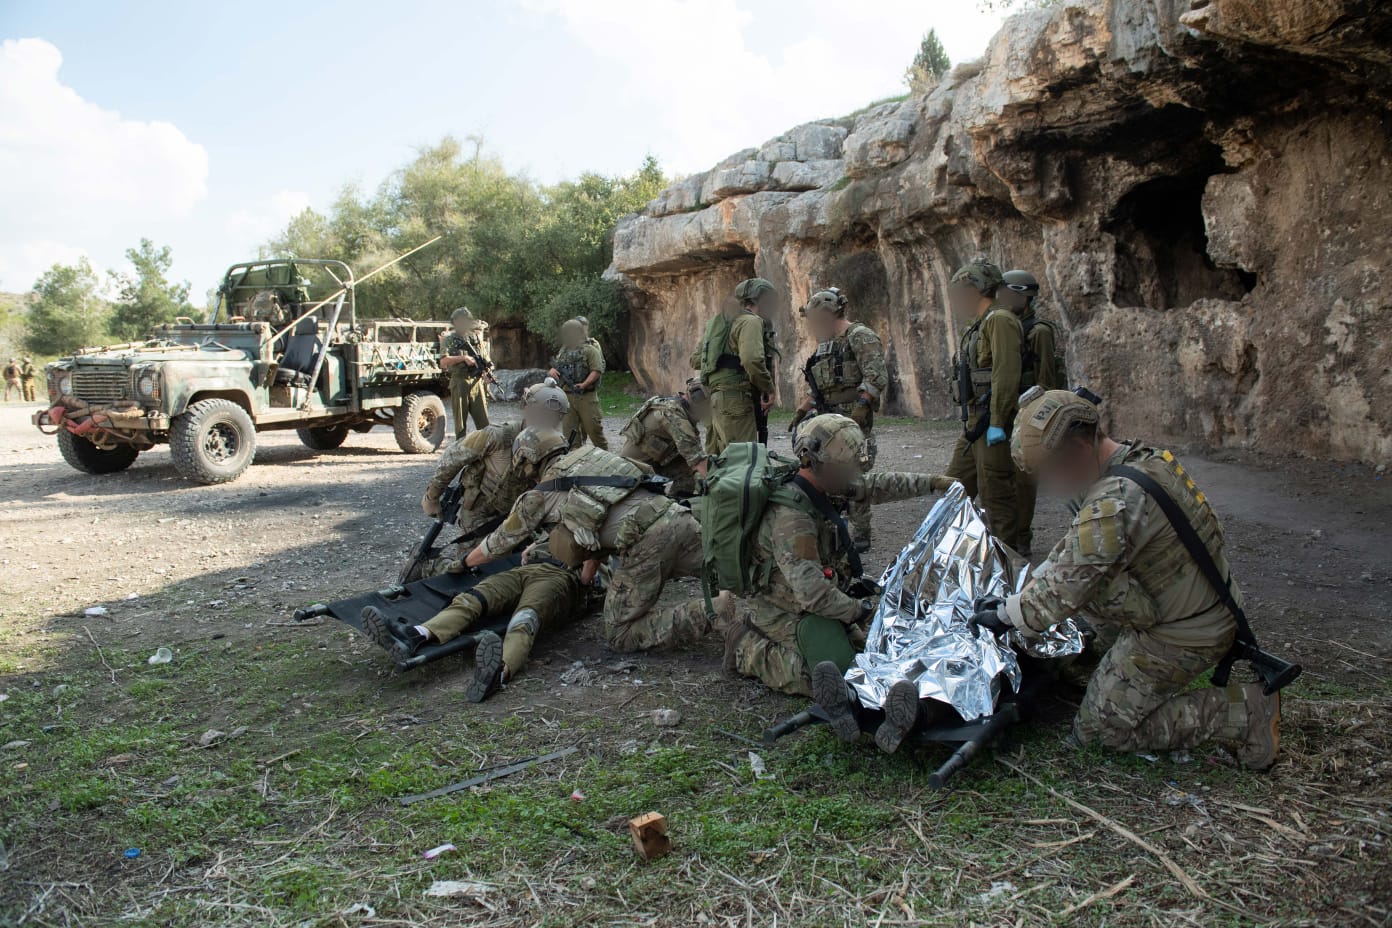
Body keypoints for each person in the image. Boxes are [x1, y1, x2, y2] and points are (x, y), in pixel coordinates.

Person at [966, 388, 1281, 769]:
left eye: (1050, 471)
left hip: (1186, 632)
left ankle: (1246, 714)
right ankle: (1115, 663)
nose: (1049, 485)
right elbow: (1076, 548)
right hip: (1193, 607)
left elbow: (1067, 587)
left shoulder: (1115, 500)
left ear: (1080, 451)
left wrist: (1006, 616)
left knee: (1101, 732)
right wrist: (1022, 594)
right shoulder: (1137, 461)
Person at [723, 414, 953, 697]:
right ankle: (744, 646)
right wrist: (862, 611)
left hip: (814, 599)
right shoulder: (793, 519)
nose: (852, 475)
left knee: (873, 651)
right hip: (781, 608)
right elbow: (814, 595)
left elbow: (875, 485)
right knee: (835, 679)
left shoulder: (825, 483)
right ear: (824, 465)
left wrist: (933, 483)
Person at [461, 428, 709, 653]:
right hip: (678, 517)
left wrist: (463, 563)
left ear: (528, 462)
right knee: (721, 572)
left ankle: (713, 612)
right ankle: (741, 607)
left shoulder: (539, 495)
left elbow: (496, 544)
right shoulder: (594, 458)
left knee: (621, 633)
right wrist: (580, 578)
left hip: (647, 543)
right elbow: (594, 537)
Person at [361, 557, 591, 702]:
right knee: (471, 599)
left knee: (524, 620)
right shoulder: (559, 516)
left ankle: (498, 672)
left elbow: (587, 579)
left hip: (562, 577)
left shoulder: (602, 531)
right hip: (525, 569)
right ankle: (414, 635)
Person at [414, 381, 571, 578]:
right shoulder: (498, 436)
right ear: (526, 408)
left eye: (554, 418)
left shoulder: (556, 447)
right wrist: (432, 496)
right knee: (471, 570)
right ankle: (427, 567)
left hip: (521, 515)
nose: (546, 422)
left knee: (522, 570)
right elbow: (452, 458)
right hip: (481, 512)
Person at [792, 287, 889, 551]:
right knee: (824, 471)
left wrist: (860, 408)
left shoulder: (859, 336)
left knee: (854, 472)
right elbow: (820, 387)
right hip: (828, 417)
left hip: (852, 417)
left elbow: (876, 375)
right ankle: (834, 529)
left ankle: (861, 533)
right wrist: (802, 410)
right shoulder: (826, 346)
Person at [944, 261, 1022, 548]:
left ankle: (1008, 560)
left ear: (975, 289)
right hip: (975, 423)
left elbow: (1006, 372)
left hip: (991, 422)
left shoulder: (999, 320)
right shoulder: (980, 324)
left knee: (996, 494)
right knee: (952, 486)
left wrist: (999, 422)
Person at [999, 270, 1062, 556]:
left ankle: (1022, 536)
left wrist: (1034, 418)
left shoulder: (1039, 332)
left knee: (1024, 480)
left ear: (1025, 297)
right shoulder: (1009, 327)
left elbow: (1046, 381)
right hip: (1009, 412)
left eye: (1011, 294)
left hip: (1027, 414)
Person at [692, 278, 775, 455]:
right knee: (742, 462)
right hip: (736, 400)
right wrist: (767, 388)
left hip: (714, 399)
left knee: (719, 460)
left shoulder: (716, 323)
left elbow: (696, 359)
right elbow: (751, 359)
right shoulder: (750, 321)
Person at [618, 379, 712, 497]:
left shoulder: (677, 408)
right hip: (634, 472)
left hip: (657, 462)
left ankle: (678, 504)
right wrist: (720, 487)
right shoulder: (673, 415)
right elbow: (696, 459)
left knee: (687, 479)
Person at [550, 319, 607, 449]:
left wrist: (584, 384)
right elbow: (557, 368)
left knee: (594, 430)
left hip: (586, 397)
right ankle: (575, 461)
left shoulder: (590, 350)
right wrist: (553, 371)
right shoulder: (563, 352)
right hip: (567, 397)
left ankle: (605, 456)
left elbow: (597, 370)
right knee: (570, 434)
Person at [439, 307, 493, 439]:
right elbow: (443, 362)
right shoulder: (449, 340)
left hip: (476, 383)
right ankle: (461, 453)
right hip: (459, 382)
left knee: (484, 425)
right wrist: (463, 358)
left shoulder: (475, 338)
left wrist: (488, 373)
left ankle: (486, 453)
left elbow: (486, 360)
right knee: (460, 426)